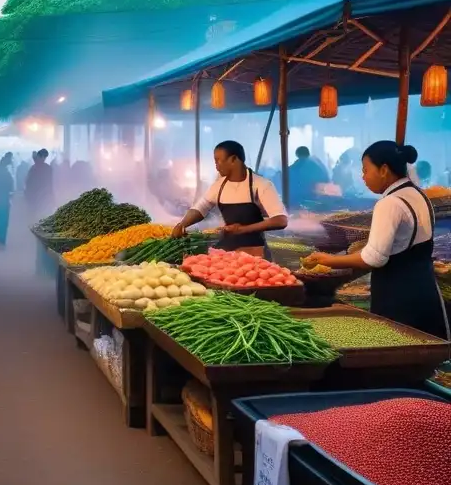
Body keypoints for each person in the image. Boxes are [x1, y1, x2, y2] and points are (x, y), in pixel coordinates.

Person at [303, 142, 448, 339]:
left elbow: (374, 258)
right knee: (423, 350)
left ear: (384, 170)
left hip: (398, 296)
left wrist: (326, 260)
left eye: (365, 170)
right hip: (424, 289)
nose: (363, 177)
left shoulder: (389, 204)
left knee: (397, 353)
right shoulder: (418, 194)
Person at [172, 140, 288, 257]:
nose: (216, 166)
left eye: (218, 160)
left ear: (233, 159)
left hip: (255, 251)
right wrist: (182, 224)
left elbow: (280, 220)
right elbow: (201, 207)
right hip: (226, 250)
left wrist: (243, 229)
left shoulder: (261, 185)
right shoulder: (219, 185)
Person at [24, 149, 54, 222]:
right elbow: (50, 183)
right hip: (42, 196)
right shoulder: (47, 168)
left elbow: (27, 182)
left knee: (34, 216)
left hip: (36, 196)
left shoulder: (34, 168)